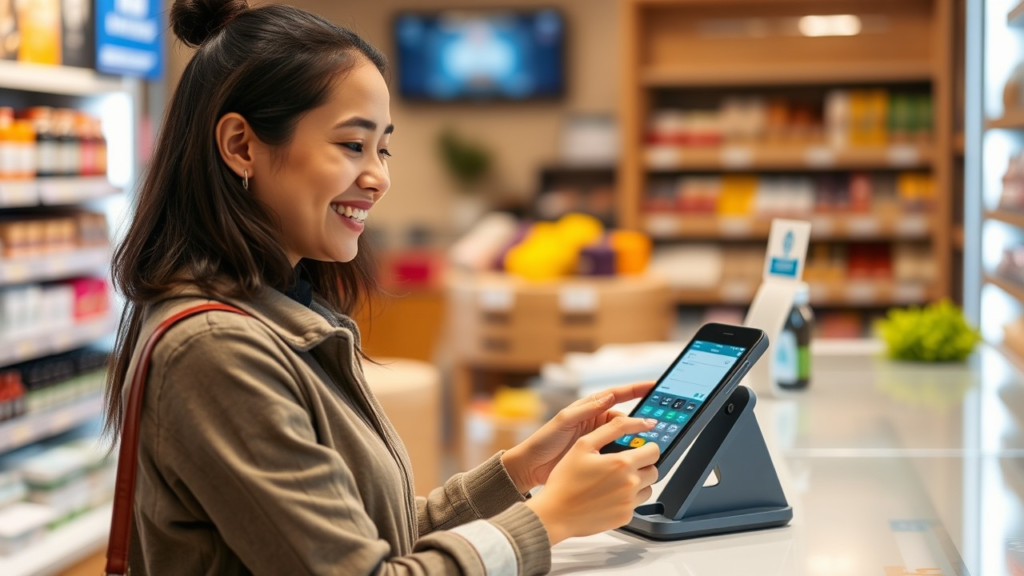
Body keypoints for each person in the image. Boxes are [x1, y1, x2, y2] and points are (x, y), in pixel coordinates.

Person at [103, 1, 661, 574]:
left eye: (383, 148)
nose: (379, 177)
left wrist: (520, 472)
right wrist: (551, 519)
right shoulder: (215, 349)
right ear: (242, 146)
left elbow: (366, 534)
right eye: (352, 145)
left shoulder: (275, 310)